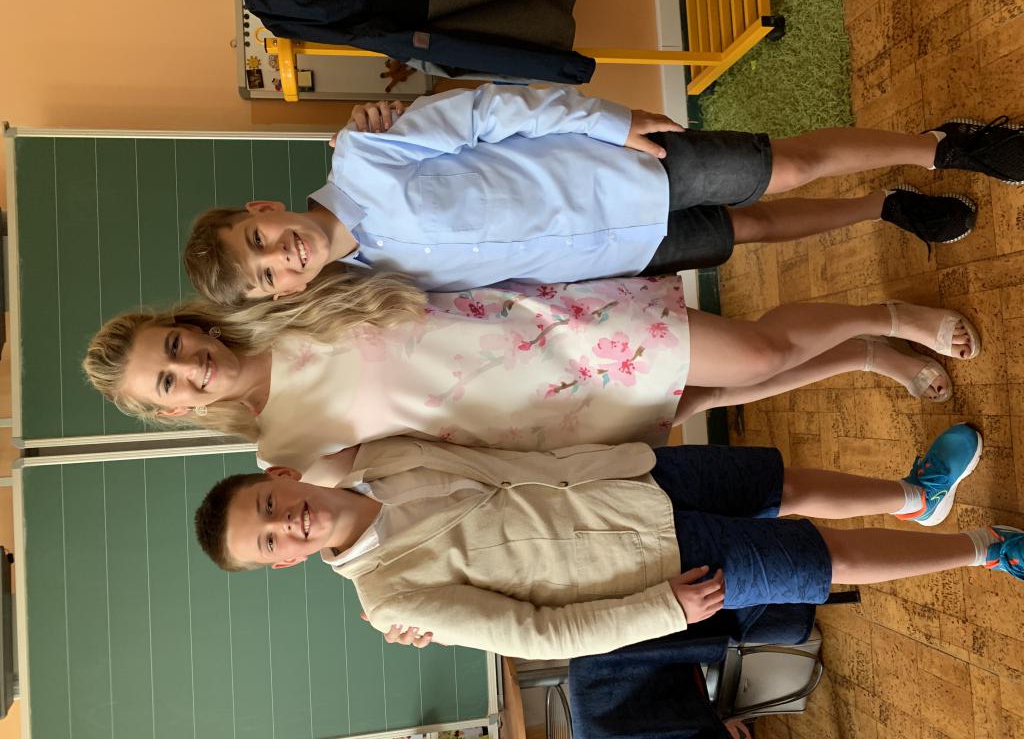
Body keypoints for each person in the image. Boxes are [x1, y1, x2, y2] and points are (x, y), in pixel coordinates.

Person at [192, 423, 1024, 661]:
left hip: (627, 472)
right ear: (285, 562)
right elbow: (533, 634)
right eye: (270, 542)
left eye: (270, 505)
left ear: (284, 477)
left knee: (783, 483)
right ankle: (986, 547)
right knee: (822, 559)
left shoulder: (381, 454)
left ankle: (917, 497)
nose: (286, 523)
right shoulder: (389, 599)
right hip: (652, 565)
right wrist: (659, 612)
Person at [83, 267, 979, 478]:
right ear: (173, 411)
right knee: (723, 390)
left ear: (183, 325)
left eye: (173, 348)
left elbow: (366, 230)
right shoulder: (281, 454)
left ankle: (889, 318)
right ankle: (865, 357)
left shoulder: (283, 300)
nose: (188, 369)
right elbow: (373, 512)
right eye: (168, 384)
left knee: (756, 350)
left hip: (549, 333)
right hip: (538, 426)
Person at [179, 83, 1023, 304]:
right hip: (620, 250)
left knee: (790, 166)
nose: (281, 257)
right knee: (759, 228)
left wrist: (610, 123)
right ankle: (887, 207)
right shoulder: (375, 291)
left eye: (259, 243)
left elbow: (490, 114)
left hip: (625, 169)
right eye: (267, 277)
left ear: (263, 211)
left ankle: (947, 146)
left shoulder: (365, 151)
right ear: (282, 294)